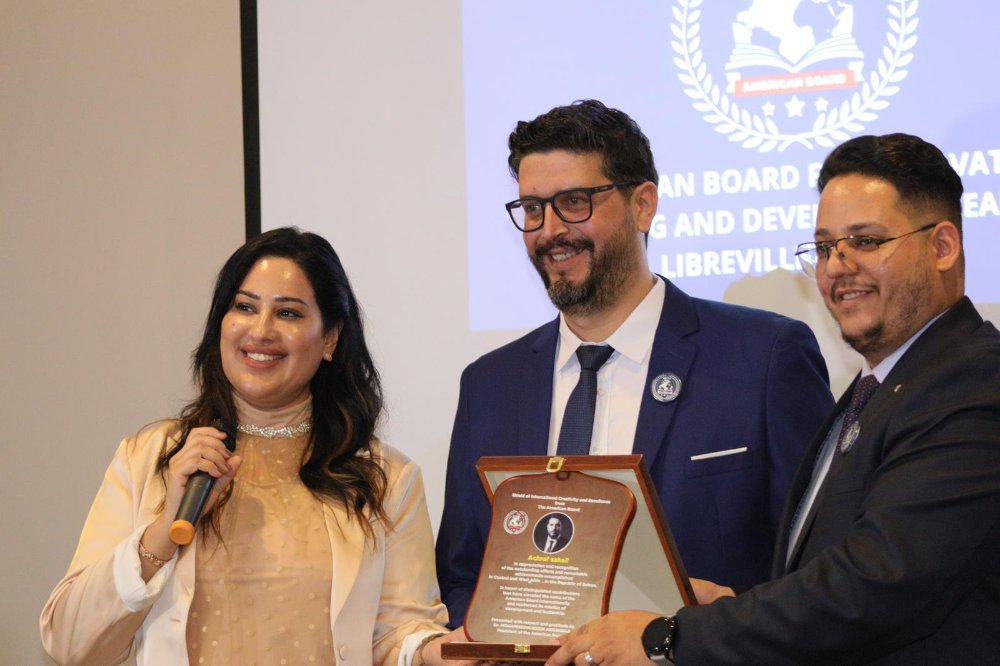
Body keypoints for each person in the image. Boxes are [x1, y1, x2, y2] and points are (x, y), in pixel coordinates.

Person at [547, 133, 1000, 664]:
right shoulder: (874, 390)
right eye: (825, 248)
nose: (837, 266)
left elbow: (876, 584)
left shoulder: (975, 381)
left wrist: (669, 637)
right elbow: (827, 579)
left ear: (942, 247)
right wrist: (733, 606)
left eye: (866, 241)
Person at [435, 100, 834, 628]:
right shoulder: (489, 384)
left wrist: (722, 621)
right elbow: (462, 576)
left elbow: (824, 565)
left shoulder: (764, 356)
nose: (549, 231)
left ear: (643, 205)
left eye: (573, 202)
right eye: (533, 209)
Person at [40, 228, 465, 665]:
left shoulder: (386, 477)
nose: (260, 331)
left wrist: (439, 652)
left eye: (288, 313)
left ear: (330, 338)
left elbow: (398, 636)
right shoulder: (149, 457)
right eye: (244, 307)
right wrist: (162, 531)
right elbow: (69, 643)